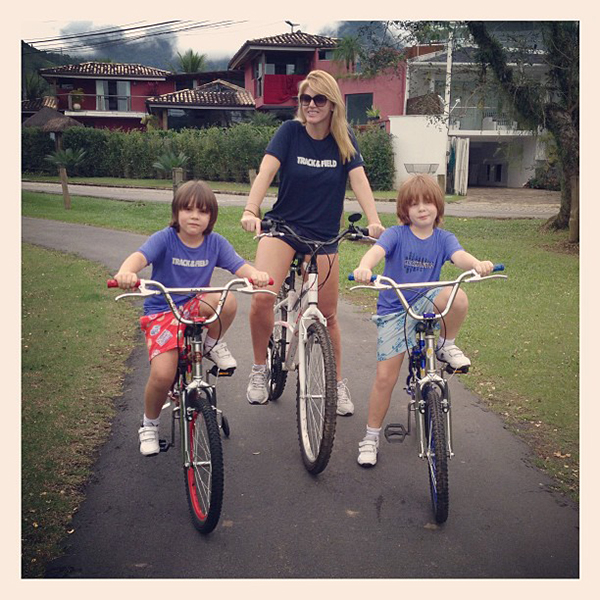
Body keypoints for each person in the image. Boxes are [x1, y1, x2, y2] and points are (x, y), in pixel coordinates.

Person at [240, 69, 385, 413]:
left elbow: (360, 181)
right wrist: (250, 209)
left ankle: (335, 385)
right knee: (262, 298)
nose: (311, 105)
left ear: (332, 103)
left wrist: (374, 220)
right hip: (284, 228)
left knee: (328, 316)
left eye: (319, 99)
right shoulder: (289, 132)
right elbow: (266, 172)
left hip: (323, 236)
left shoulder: (344, 139)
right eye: (305, 99)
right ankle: (259, 369)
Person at [114, 180, 270, 456]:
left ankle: (211, 344)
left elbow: (239, 266)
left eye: (202, 211)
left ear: (211, 216)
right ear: (176, 213)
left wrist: (254, 274)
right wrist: (127, 272)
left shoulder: (215, 243)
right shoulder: (166, 238)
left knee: (228, 299)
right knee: (163, 374)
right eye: (187, 209)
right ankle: (149, 425)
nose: (194, 216)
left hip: (195, 306)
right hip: (163, 311)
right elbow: (139, 257)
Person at [352, 174, 494, 467]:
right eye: (414, 204)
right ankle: (370, 437)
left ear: (438, 206)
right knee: (385, 378)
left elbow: (460, 257)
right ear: (405, 210)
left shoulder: (444, 238)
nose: (421, 208)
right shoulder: (396, 234)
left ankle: (446, 345)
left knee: (458, 295)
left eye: (427, 202)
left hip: (426, 303)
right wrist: (365, 267)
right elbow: (375, 252)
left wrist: (477, 264)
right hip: (396, 307)